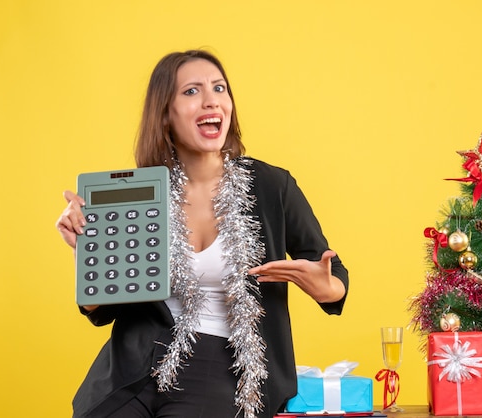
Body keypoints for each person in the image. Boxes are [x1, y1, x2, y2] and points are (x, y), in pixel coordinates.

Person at [55, 49, 349, 418]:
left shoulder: (271, 185)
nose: (211, 100)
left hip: (226, 365)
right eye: (192, 91)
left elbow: (334, 276)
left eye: (219, 88)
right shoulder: (143, 190)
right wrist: (86, 251)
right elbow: (100, 306)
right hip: (137, 363)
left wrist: (324, 286)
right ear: (166, 113)